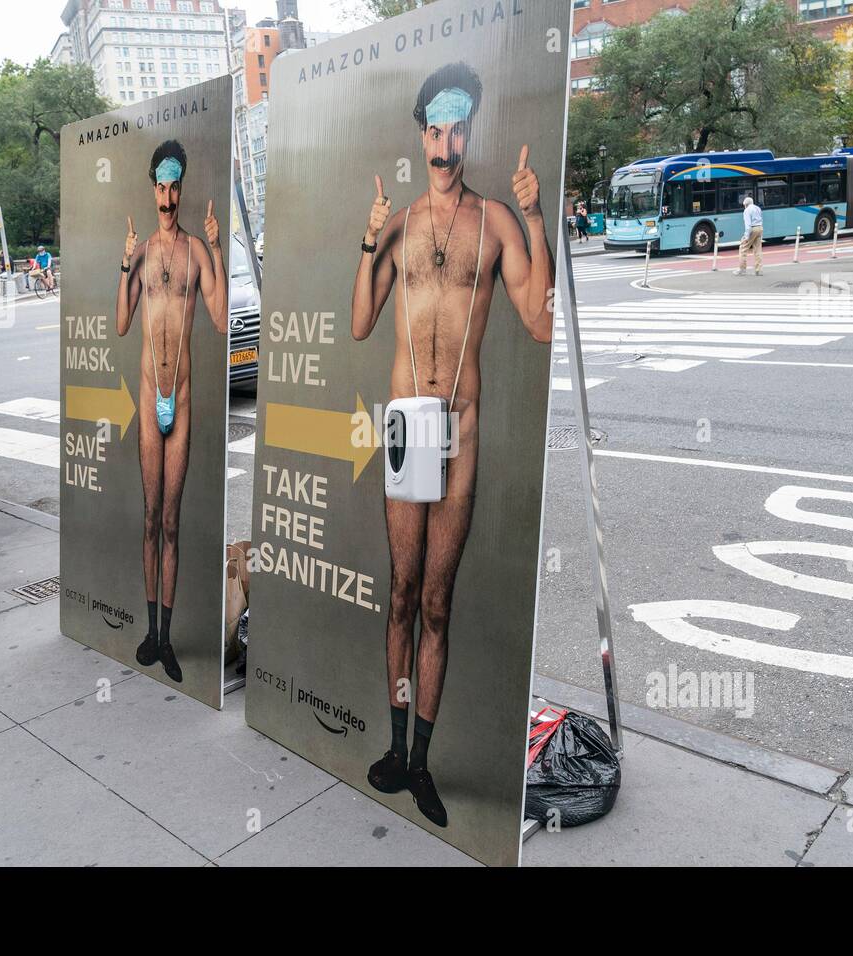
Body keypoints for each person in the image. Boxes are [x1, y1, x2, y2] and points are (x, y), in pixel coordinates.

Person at [351, 62, 554, 828]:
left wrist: (537, 219)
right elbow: (362, 321)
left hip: (461, 428)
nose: (446, 142)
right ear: (421, 133)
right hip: (407, 423)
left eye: (457, 127)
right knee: (401, 595)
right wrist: (367, 243)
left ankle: (423, 765)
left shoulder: (498, 219)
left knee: (438, 601)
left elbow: (538, 321)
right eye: (434, 128)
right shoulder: (400, 223)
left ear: (470, 129)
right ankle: (396, 748)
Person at [116, 139, 229, 683]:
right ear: (152, 187)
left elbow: (224, 320)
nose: (167, 194)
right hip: (147, 394)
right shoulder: (140, 256)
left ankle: (168, 637)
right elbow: (119, 324)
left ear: (182, 188)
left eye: (174, 185)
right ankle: (151, 634)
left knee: (173, 523)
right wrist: (122, 263)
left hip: (180, 400)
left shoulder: (196, 253)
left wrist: (218, 249)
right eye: (160, 185)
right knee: (149, 518)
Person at [736, 192, 763, 276]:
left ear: (746, 205)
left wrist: (746, 236)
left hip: (753, 229)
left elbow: (748, 225)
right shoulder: (758, 208)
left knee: (743, 248)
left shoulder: (747, 210)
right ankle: (758, 270)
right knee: (757, 249)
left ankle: (742, 269)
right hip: (760, 228)